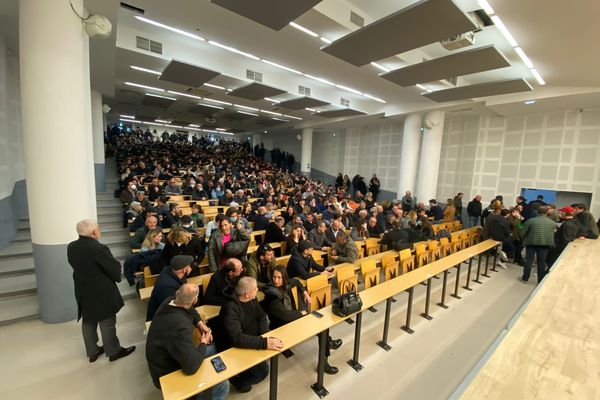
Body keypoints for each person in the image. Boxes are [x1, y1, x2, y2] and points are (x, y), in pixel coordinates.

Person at [67, 219, 135, 362]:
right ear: (94, 232)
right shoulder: (98, 248)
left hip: (82, 288)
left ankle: (92, 351)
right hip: (101, 290)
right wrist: (117, 268)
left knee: (88, 320)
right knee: (107, 320)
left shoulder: (71, 246)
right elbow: (112, 268)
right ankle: (114, 351)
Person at [146, 283, 229, 400]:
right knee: (223, 386)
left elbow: (190, 309)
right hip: (167, 372)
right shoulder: (181, 326)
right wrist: (203, 342)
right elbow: (191, 367)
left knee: (212, 349)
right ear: (195, 300)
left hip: (162, 359)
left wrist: (199, 323)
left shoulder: (170, 301)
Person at [262, 266, 342, 374]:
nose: (276, 280)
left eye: (279, 277)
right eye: (274, 277)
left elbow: (296, 282)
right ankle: (326, 347)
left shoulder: (286, 283)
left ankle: (325, 352)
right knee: (321, 327)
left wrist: (304, 293)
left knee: (323, 325)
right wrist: (302, 313)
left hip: (294, 318)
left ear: (285, 278)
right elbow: (285, 315)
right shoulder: (271, 295)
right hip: (283, 325)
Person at [216, 277, 284, 393]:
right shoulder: (230, 309)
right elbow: (237, 339)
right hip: (233, 346)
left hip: (252, 337)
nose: (258, 290)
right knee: (262, 372)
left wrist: (265, 335)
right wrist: (264, 343)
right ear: (247, 294)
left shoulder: (252, 298)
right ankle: (237, 381)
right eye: (255, 288)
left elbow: (261, 315)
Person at [146, 255, 194, 322]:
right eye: (189, 265)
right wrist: (191, 300)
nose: (191, 267)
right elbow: (177, 309)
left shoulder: (173, 272)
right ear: (184, 269)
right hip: (159, 320)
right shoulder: (167, 287)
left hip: (170, 313)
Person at [519, 206, 557, 284]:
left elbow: (523, 232)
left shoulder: (531, 221)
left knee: (529, 261)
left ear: (537, 212)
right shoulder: (552, 222)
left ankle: (525, 278)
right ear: (547, 212)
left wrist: (524, 239)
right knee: (541, 262)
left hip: (531, 243)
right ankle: (540, 280)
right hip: (545, 245)